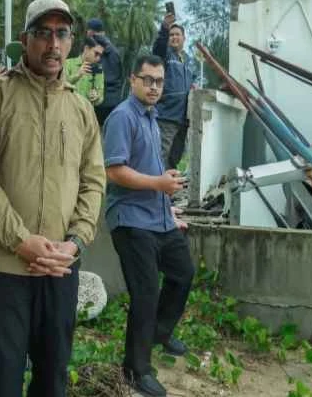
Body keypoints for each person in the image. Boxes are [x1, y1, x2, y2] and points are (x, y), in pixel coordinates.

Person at [0, 0, 106, 397]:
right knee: (0, 380)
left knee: (52, 379)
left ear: (71, 41)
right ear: (25, 40)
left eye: (61, 34)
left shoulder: (80, 108)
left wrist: (75, 243)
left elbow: (93, 181)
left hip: (59, 269)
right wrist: (21, 241)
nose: (53, 44)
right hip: (3, 270)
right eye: (43, 33)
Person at [102, 54, 194, 397]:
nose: (155, 86)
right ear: (133, 80)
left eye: (159, 81)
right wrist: (159, 184)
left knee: (183, 273)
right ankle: (135, 369)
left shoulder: (153, 119)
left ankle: (159, 332)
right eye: (148, 80)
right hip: (129, 218)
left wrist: (169, 210)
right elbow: (114, 171)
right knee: (145, 294)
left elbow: (154, 172)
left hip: (158, 217)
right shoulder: (122, 118)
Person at [152, 13, 199, 168]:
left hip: (183, 120)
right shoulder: (165, 56)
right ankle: (153, 190)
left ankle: (166, 192)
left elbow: (193, 82)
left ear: (184, 38)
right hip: (166, 116)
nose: (174, 37)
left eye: (177, 34)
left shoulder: (188, 61)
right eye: (171, 35)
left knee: (175, 158)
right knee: (160, 156)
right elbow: (158, 47)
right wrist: (165, 28)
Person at [86, 17, 124, 125]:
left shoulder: (93, 50)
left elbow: (92, 74)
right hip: (115, 101)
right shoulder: (115, 51)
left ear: (90, 32)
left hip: (99, 101)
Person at [64, 36, 106, 106]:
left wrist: (96, 97)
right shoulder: (68, 64)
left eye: (100, 55)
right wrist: (77, 75)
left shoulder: (98, 69)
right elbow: (60, 86)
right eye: (96, 53)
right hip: (68, 109)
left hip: (86, 112)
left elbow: (101, 97)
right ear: (86, 49)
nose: (98, 58)